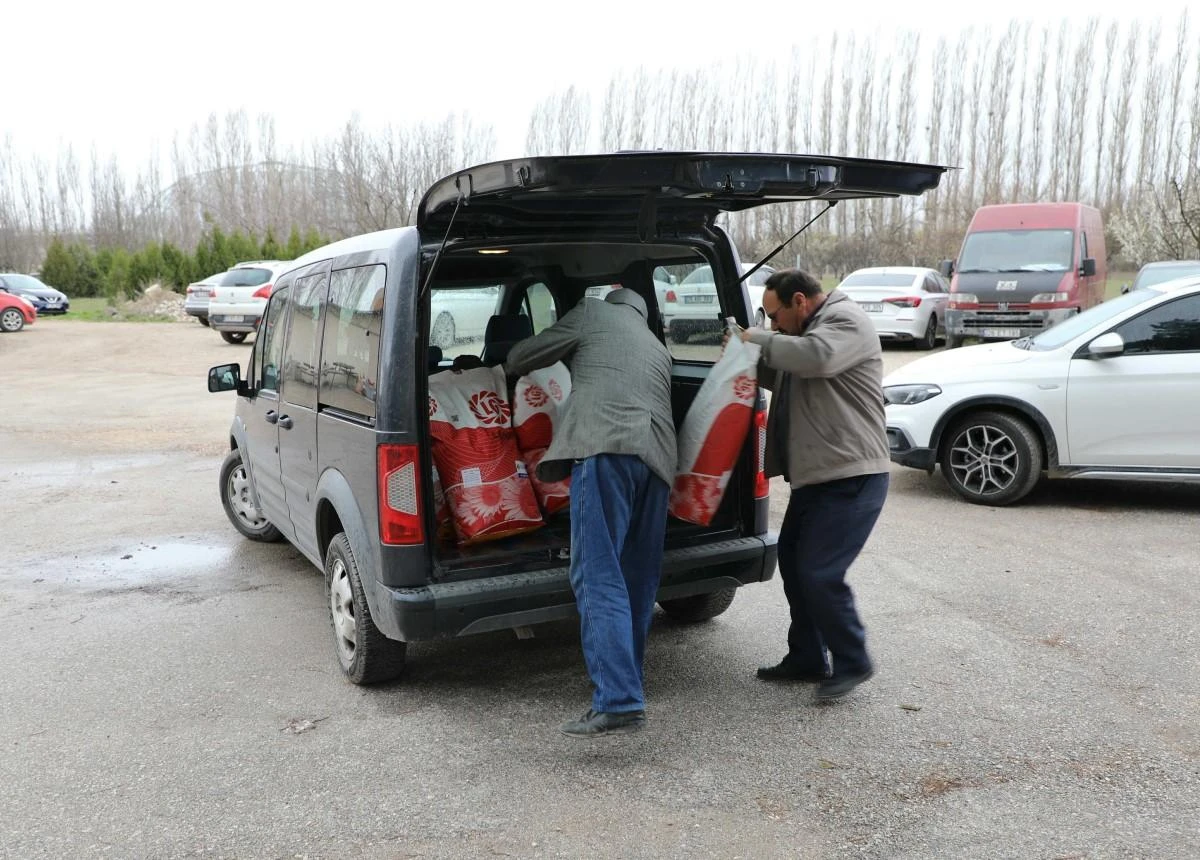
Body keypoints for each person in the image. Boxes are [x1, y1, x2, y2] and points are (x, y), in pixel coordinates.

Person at [504, 287, 676, 738]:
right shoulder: (658, 348)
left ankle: (617, 701)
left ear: (611, 302)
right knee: (637, 579)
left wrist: (509, 359)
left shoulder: (592, 313)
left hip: (606, 450)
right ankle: (628, 688)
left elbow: (529, 353)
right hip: (658, 464)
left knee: (597, 574)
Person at [732, 268, 890, 701]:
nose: (773, 325)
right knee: (795, 565)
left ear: (799, 300)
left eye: (774, 315)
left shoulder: (843, 322)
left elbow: (816, 358)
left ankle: (853, 660)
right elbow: (783, 370)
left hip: (852, 474)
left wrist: (759, 340)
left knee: (821, 571)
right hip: (818, 477)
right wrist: (742, 352)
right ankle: (806, 657)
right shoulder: (804, 333)